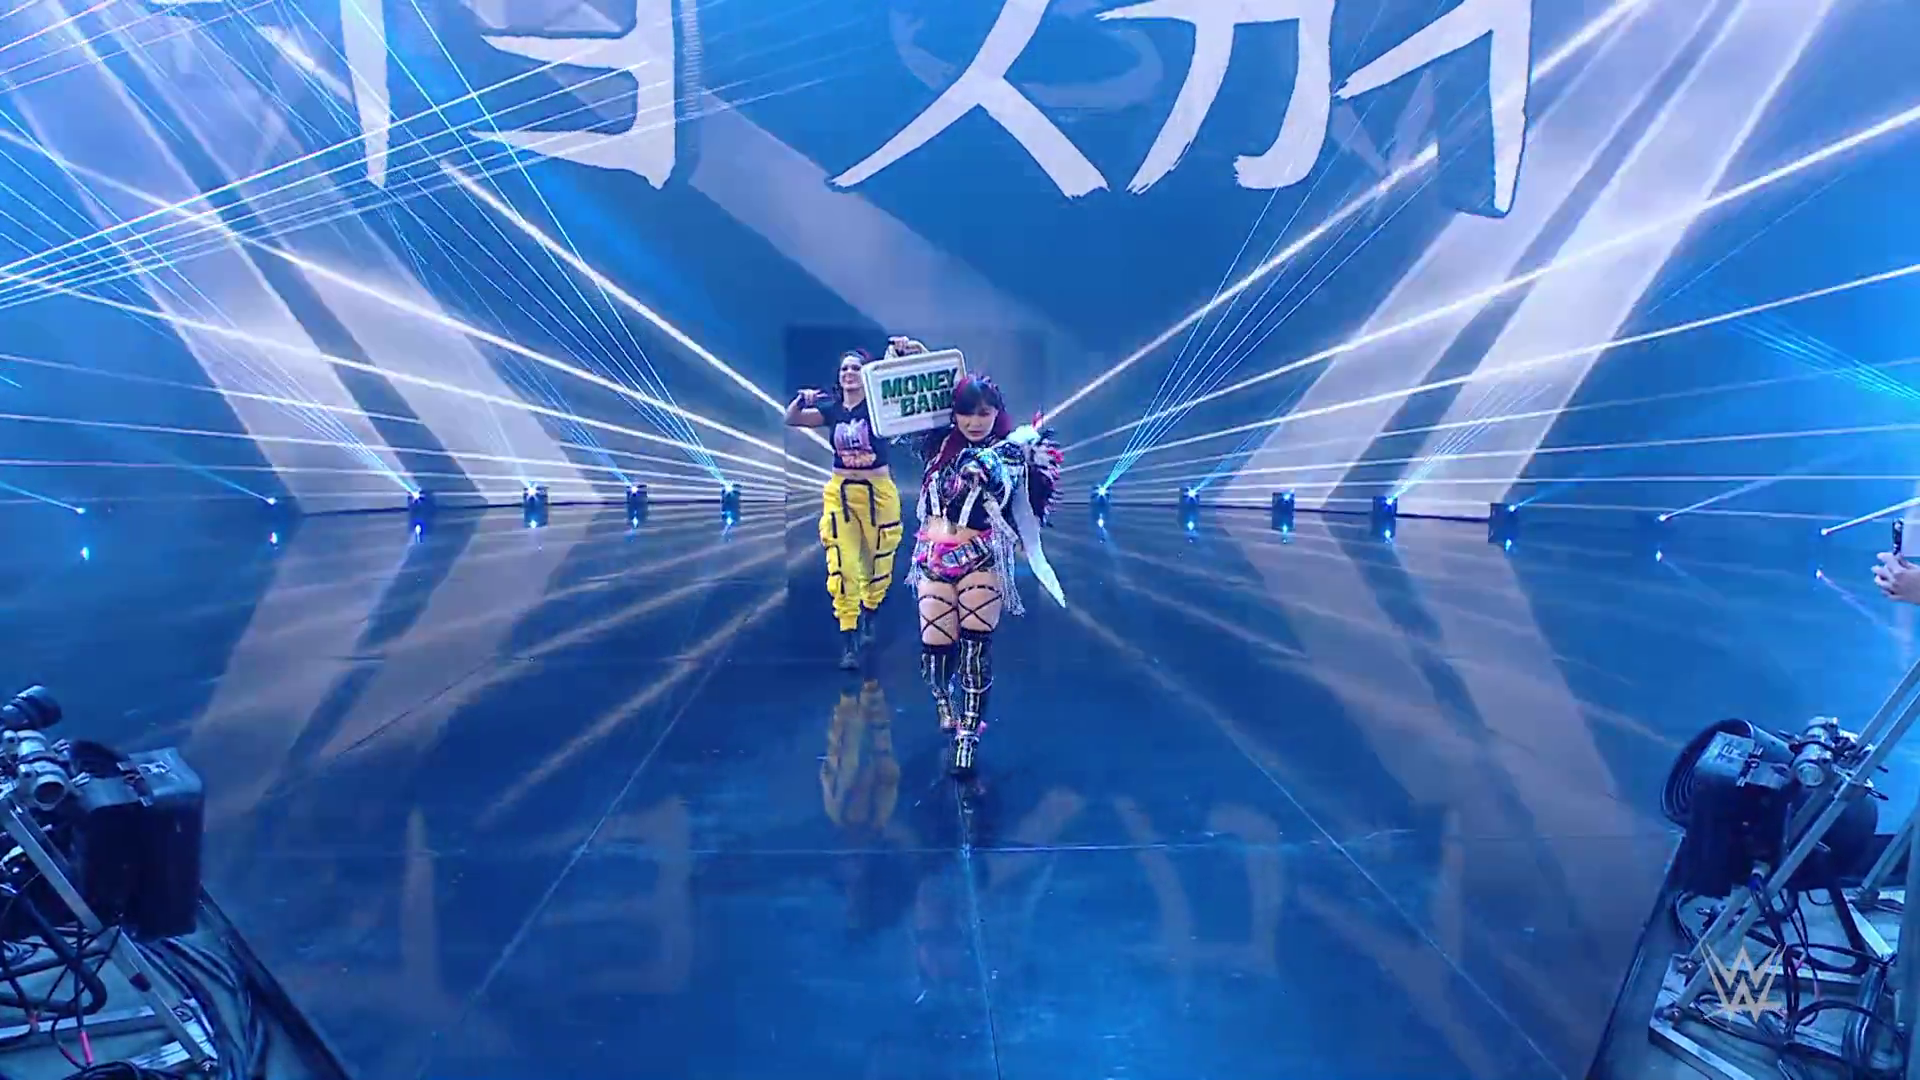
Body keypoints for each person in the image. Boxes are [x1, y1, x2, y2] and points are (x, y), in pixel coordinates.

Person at [910, 372, 1065, 775]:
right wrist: (909, 355)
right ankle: (943, 699)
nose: (975, 421)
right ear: (954, 414)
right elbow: (903, 405)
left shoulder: (1010, 450)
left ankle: (968, 735)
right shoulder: (937, 445)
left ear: (996, 412)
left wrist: (983, 470)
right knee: (935, 650)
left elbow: (1002, 476)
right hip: (932, 556)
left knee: (975, 649)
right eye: (967, 412)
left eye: (984, 413)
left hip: (982, 556)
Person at [787, 346, 905, 669]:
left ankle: (870, 613)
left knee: (878, 564)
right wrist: (803, 400)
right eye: (844, 369)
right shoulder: (832, 409)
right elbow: (792, 419)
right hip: (841, 494)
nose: (849, 373)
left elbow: (908, 399)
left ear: (866, 374)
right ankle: (849, 640)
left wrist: (901, 355)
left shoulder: (880, 408)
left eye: (855, 368)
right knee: (843, 565)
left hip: (878, 494)